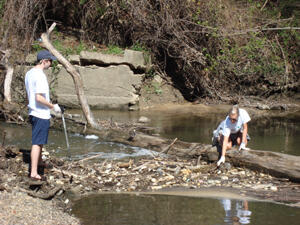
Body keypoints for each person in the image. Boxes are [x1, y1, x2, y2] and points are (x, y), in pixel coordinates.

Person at [25, 50, 61, 180]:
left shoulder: (29, 73)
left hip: (33, 112)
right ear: (43, 61)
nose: (51, 64)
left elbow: (30, 95)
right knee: (37, 143)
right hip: (40, 114)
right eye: (50, 61)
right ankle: (34, 172)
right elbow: (39, 97)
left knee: (39, 141)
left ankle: (39, 162)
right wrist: (53, 107)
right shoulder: (40, 75)